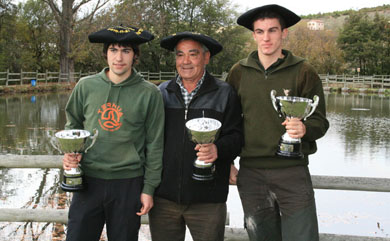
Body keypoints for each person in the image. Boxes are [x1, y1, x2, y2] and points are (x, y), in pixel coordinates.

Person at [226, 4, 330, 241]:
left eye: (272, 30)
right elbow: (229, 123)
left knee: (302, 237)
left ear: (284, 32)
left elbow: (320, 121)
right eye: (260, 31)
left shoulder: (304, 70)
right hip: (251, 173)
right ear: (253, 35)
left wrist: (305, 128)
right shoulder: (238, 72)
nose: (266, 37)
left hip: (292, 171)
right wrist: (227, 161)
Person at [62, 25, 164, 241]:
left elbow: (155, 144)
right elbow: (73, 125)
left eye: (126, 51)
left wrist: (149, 188)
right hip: (88, 181)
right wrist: (71, 153)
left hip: (128, 183)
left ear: (135, 55)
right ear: (105, 54)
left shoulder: (149, 93)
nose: (119, 57)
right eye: (113, 50)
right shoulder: (85, 86)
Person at [148, 32, 243, 241]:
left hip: (208, 201)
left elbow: (236, 136)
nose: (186, 61)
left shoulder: (225, 93)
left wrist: (218, 149)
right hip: (164, 199)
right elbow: (149, 140)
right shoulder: (161, 93)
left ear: (206, 57)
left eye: (193, 54)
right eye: (180, 55)